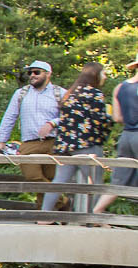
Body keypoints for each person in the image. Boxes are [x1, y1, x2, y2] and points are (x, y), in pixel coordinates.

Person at [47, 64, 113, 213]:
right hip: (87, 145)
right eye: (103, 73)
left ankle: (44, 216)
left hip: (65, 146)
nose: (105, 77)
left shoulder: (70, 94)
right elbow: (99, 121)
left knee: (59, 181)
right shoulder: (94, 94)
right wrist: (112, 119)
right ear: (95, 75)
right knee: (95, 183)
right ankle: (94, 218)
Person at [0, 60, 67, 183]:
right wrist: (2, 141)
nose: (32, 75)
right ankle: (63, 201)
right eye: (30, 73)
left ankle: (49, 203)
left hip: (53, 142)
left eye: (36, 72)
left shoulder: (60, 93)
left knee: (51, 178)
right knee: (33, 178)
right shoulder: (21, 93)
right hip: (29, 143)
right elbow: (10, 117)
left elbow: (69, 117)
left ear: (48, 74)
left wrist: (53, 123)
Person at [97, 58, 138, 213]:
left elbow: (117, 118)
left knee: (119, 180)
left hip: (126, 137)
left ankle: (96, 212)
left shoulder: (120, 87)